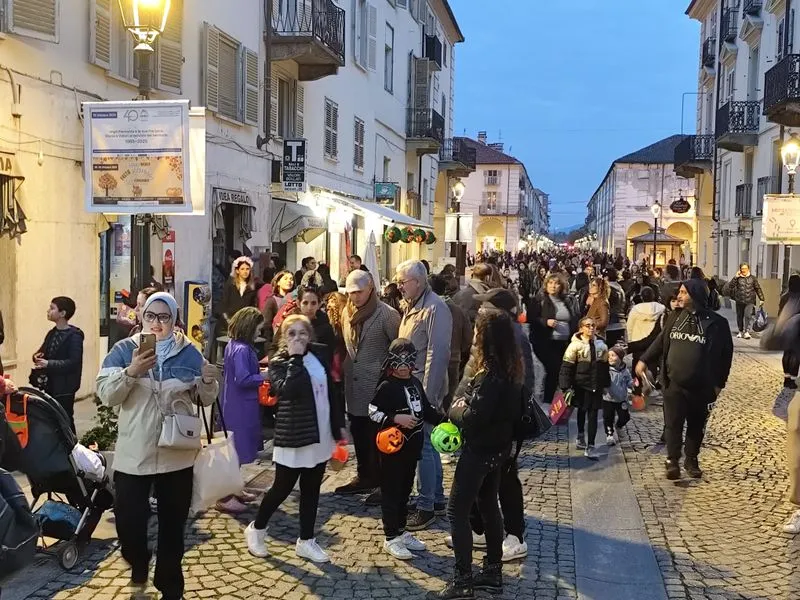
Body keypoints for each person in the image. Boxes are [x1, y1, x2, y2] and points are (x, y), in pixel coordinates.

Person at [96, 292, 219, 600]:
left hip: (176, 455)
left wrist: (207, 382)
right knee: (129, 522)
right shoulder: (124, 350)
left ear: (174, 320)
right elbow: (105, 394)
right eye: (151, 316)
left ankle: (171, 587)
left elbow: (203, 400)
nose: (157, 323)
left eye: (164, 317)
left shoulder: (190, 353)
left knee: (173, 528)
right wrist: (131, 372)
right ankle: (138, 565)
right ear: (142, 317)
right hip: (134, 454)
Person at [428, 309, 522, 600]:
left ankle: (463, 579)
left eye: (478, 331)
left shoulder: (492, 374)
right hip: (498, 450)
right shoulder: (511, 368)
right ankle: (492, 572)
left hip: (480, 451)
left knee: (457, 511)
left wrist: (455, 406)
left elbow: (472, 416)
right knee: (488, 505)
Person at [244, 315, 347, 563]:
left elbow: (331, 393)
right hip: (294, 435)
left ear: (309, 335)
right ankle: (257, 529)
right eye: (291, 333)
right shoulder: (280, 361)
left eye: (302, 333)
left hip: (319, 434)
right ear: (283, 337)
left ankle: (306, 541)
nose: (297, 338)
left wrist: (337, 427)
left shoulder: (319, 355)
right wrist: (296, 358)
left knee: (312, 490)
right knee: (282, 487)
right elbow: (286, 390)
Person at [453, 288, 534, 562]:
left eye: (484, 306)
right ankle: (477, 529)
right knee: (484, 485)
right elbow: (470, 375)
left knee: (506, 482)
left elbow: (523, 387)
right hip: (478, 421)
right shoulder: (484, 335)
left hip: (499, 427)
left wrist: (510, 430)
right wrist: (459, 402)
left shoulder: (513, 339)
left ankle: (515, 535)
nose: (479, 310)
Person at [638, 281, 733, 480]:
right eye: (679, 292)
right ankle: (672, 461)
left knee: (696, 425)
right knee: (672, 424)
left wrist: (718, 385)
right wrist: (644, 360)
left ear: (696, 295)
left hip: (702, 387)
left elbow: (726, 355)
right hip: (674, 384)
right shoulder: (675, 317)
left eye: (683, 292)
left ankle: (691, 459)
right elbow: (660, 341)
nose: (679, 296)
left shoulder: (717, 324)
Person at [369, 339, 441, 560]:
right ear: (391, 361)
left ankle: (401, 531)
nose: (402, 365)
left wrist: (447, 420)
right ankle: (390, 536)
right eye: (398, 360)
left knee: (405, 491)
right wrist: (393, 418)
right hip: (392, 452)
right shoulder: (386, 386)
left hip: (412, 450)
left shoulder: (416, 383)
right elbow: (372, 412)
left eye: (407, 360)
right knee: (391, 493)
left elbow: (427, 410)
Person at [396, 259, 452, 531]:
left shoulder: (435, 308)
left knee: (424, 447)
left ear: (417, 282)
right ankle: (437, 500)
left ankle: (426, 505)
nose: (398, 286)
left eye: (402, 281)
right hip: (412, 387)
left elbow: (437, 353)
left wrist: (427, 397)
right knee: (427, 443)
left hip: (423, 389)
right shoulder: (414, 306)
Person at [337, 270, 400, 502]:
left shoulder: (387, 315)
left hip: (377, 384)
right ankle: (364, 475)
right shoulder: (347, 312)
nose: (354, 297)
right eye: (351, 293)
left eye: (359, 292)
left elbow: (398, 348)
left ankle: (383, 482)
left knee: (379, 435)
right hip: (354, 384)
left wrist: (389, 378)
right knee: (359, 431)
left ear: (371, 288)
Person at [217, 307, 267, 514]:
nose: (259, 332)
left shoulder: (234, 346)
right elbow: (243, 378)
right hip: (241, 407)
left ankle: (235, 490)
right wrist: (265, 376)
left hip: (235, 403)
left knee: (234, 451)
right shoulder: (242, 349)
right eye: (258, 328)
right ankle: (225, 496)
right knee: (234, 454)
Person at [559, 317, 611, 459]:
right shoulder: (574, 346)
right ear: (581, 328)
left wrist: (606, 384)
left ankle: (591, 445)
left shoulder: (602, 346)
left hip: (596, 386)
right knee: (582, 410)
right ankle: (580, 434)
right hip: (580, 385)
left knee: (593, 414)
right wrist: (565, 387)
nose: (591, 328)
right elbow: (566, 367)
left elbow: (605, 367)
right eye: (588, 326)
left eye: (593, 325)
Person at [32, 297, 84, 432]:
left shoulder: (74, 335)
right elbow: (43, 351)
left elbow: (73, 362)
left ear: (63, 313)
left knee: (65, 417)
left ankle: (72, 448)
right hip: (50, 383)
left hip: (66, 385)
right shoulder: (52, 333)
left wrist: (49, 363)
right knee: (52, 417)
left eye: (52, 308)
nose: (48, 311)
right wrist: (37, 356)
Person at [527, 273, 578, 403]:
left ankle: (556, 399)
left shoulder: (567, 301)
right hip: (545, 341)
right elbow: (531, 318)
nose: (553, 286)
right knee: (554, 368)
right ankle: (547, 400)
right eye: (550, 283)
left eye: (556, 283)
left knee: (560, 371)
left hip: (563, 342)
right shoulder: (539, 300)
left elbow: (574, 317)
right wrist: (546, 322)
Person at [429, 274, 472, 413]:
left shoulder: (427, 308)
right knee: (449, 401)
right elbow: (467, 339)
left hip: (430, 360)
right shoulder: (457, 310)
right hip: (453, 359)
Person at [625, 286, 665, 397]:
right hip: (654, 341)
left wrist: (630, 341)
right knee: (652, 363)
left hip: (637, 341)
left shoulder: (636, 309)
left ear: (642, 297)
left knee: (636, 364)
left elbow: (630, 326)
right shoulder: (661, 308)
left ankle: (637, 388)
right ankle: (649, 387)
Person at [722, 263, 764, 338]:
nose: (744, 270)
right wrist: (735, 277)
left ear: (748, 269)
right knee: (740, 316)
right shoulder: (738, 278)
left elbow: (758, 288)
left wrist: (761, 298)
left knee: (748, 315)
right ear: (740, 269)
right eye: (742, 269)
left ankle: (746, 331)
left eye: (745, 269)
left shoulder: (753, 278)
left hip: (750, 300)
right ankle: (740, 331)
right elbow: (731, 286)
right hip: (739, 300)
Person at [220, 257, 258, 333]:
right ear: (237, 270)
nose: (245, 271)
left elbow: (253, 307)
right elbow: (223, 304)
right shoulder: (230, 285)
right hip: (227, 324)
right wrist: (228, 321)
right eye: (242, 269)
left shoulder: (252, 288)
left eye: (247, 269)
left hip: (244, 326)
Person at [604, 346, 632, 446]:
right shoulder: (606, 370)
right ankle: (609, 434)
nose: (610, 358)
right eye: (608, 356)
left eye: (613, 355)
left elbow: (629, 381)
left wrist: (633, 384)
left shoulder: (625, 370)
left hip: (621, 399)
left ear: (620, 358)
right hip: (608, 398)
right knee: (608, 417)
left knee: (625, 417)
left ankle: (619, 426)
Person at [261, 270, 296, 346]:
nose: (289, 281)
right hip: (277, 342)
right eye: (286, 278)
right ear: (278, 282)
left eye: (291, 279)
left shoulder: (296, 300)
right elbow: (266, 325)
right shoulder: (272, 300)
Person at [779, 275, 800, 389]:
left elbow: (780, 312)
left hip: (785, 328)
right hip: (797, 329)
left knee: (786, 353)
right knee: (795, 354)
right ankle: (792, 379)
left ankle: (786, 377)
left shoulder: (785, 296)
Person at [604, 268, 627, 347]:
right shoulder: (620, 289)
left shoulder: (608, 290)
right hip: (620, 322)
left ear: (606, 277)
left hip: (610, 324)